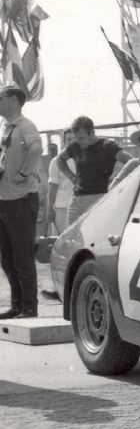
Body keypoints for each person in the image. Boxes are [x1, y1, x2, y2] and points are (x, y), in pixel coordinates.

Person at [0, 85, 42, 318]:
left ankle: (29, 306)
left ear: (14, 100)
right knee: (6, 257)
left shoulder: (26, 126)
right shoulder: (5, 127)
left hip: (20, 201)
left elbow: (36, 147)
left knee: (22, 256)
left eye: (1, 98)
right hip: (4, 199)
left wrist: (25, 172)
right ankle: (16, 305)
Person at [56, 116, 132, 225]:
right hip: (76, 200)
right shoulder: (75, 146)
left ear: (92, 132)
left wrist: (117, 181)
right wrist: (71, 176)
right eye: (76, 138)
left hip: (98, 199)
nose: (78, 141)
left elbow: (132, 162)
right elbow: (59, 159)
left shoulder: (106, 146)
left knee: (96, 235)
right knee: (70, 235)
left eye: (81, 138)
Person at [45, 129, 75, 234]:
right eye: (69, 139)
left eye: (74, 139)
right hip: (62, 207)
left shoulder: (84, 160)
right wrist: (50, 209)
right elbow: (52, 186)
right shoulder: (56, 161)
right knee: (63, 238)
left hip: (80, 206)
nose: (72, 142)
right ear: (64, 142)